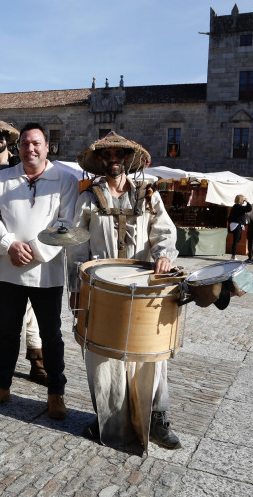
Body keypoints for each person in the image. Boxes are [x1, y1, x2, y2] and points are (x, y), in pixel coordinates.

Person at [68, 132, 181, 451]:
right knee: (102, 357)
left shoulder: (149, 195)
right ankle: (108, 419)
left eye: (120, 154)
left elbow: (165, 234)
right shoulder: (87, 199)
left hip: (144, 290)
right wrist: (76, 293)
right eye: (107, 155)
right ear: (100, 161)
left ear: (130, 160)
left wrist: (163, 255)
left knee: (152, 356)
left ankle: (157, 419)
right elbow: (76, 248)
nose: (114, 159)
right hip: (101, 291)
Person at [0, 123, 77, 420]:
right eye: (24, 143)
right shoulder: (2, 179)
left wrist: (33, 248)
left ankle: (56, 392)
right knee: (8, 333)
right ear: (17, 147)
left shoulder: (65, 180)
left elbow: (67, 223)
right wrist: (9, 244)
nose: (30, 148)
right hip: (10, 268)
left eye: (36, 143)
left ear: (47, 147)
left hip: (47, 271)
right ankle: (1, 386)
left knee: (51, 335)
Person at [0, 117, 47, 384]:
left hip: (22, 246)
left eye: (3, 134)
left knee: (30, 309)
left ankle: (37, 359)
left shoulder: (19, 168)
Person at [227, 194, 251, 261]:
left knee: (236, 240)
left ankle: (233, 256)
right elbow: (249, 208)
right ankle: (233, 256)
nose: (244, 201)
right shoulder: (238, 206)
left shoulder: (235, 206)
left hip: (235, 225)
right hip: (237, 226)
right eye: (243, 199)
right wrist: (247, 201)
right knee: (235, 241)